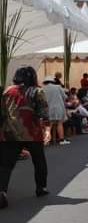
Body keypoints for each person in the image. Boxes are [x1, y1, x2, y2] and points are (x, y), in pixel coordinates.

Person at [1, 66, 51, 209]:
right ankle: (41, 188)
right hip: (32, 133)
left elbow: (3, 113)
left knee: (6, 165)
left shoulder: (7, 91)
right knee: (39, 160)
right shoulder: (36, 91)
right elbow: (44, 113)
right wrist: (47, 130)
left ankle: (2, 191)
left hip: (9, 133)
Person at [42, 76, 69, 145]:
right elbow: (65, 97)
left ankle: (46, 141)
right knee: (59, 123)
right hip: (58, 107)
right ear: (52, 81)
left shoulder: (42, 89)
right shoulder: (57, 87)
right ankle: (61, 140)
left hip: (48, 109)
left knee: (49, 125)